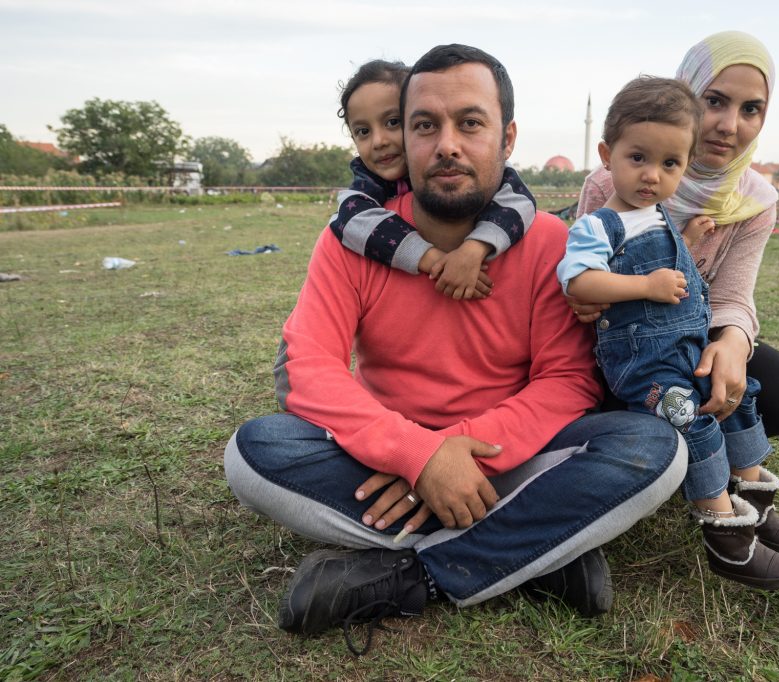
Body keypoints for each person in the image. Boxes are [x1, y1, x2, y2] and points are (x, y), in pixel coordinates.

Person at [223, 44, 687, 655]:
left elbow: (567, 380)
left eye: (470, 123)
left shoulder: (549, 240)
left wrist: (458, 461)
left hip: (509, 458)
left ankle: (413, 577)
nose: (447, 144)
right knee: (254, 450)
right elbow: (311, 369)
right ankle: (537, 553)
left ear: (507, 137)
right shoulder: (350, 240)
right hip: (382, 456)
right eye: (424, 125)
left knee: (655, 447)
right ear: (406, 140)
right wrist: (420, 456)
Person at [574, 31, 779, 564]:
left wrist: (732, 341)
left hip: (692, 334)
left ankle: (744, 488)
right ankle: (677, 477)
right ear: (687, 96)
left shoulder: (754, 200)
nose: (730, 125)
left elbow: (733, 294)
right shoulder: (606, 185)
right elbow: (583, 276)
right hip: (623, 345)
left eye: (751, 109)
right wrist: (587, 297)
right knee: (628, 400)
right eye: (715, 101)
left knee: (777, 389)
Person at [330, 59, 537, 300]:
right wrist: (434, 259)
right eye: (363, 131)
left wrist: (474, 249)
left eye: (393, 123)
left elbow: (520, 201)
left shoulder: (472, 173)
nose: (379, 141)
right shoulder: (368, 183)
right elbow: (351, 219)